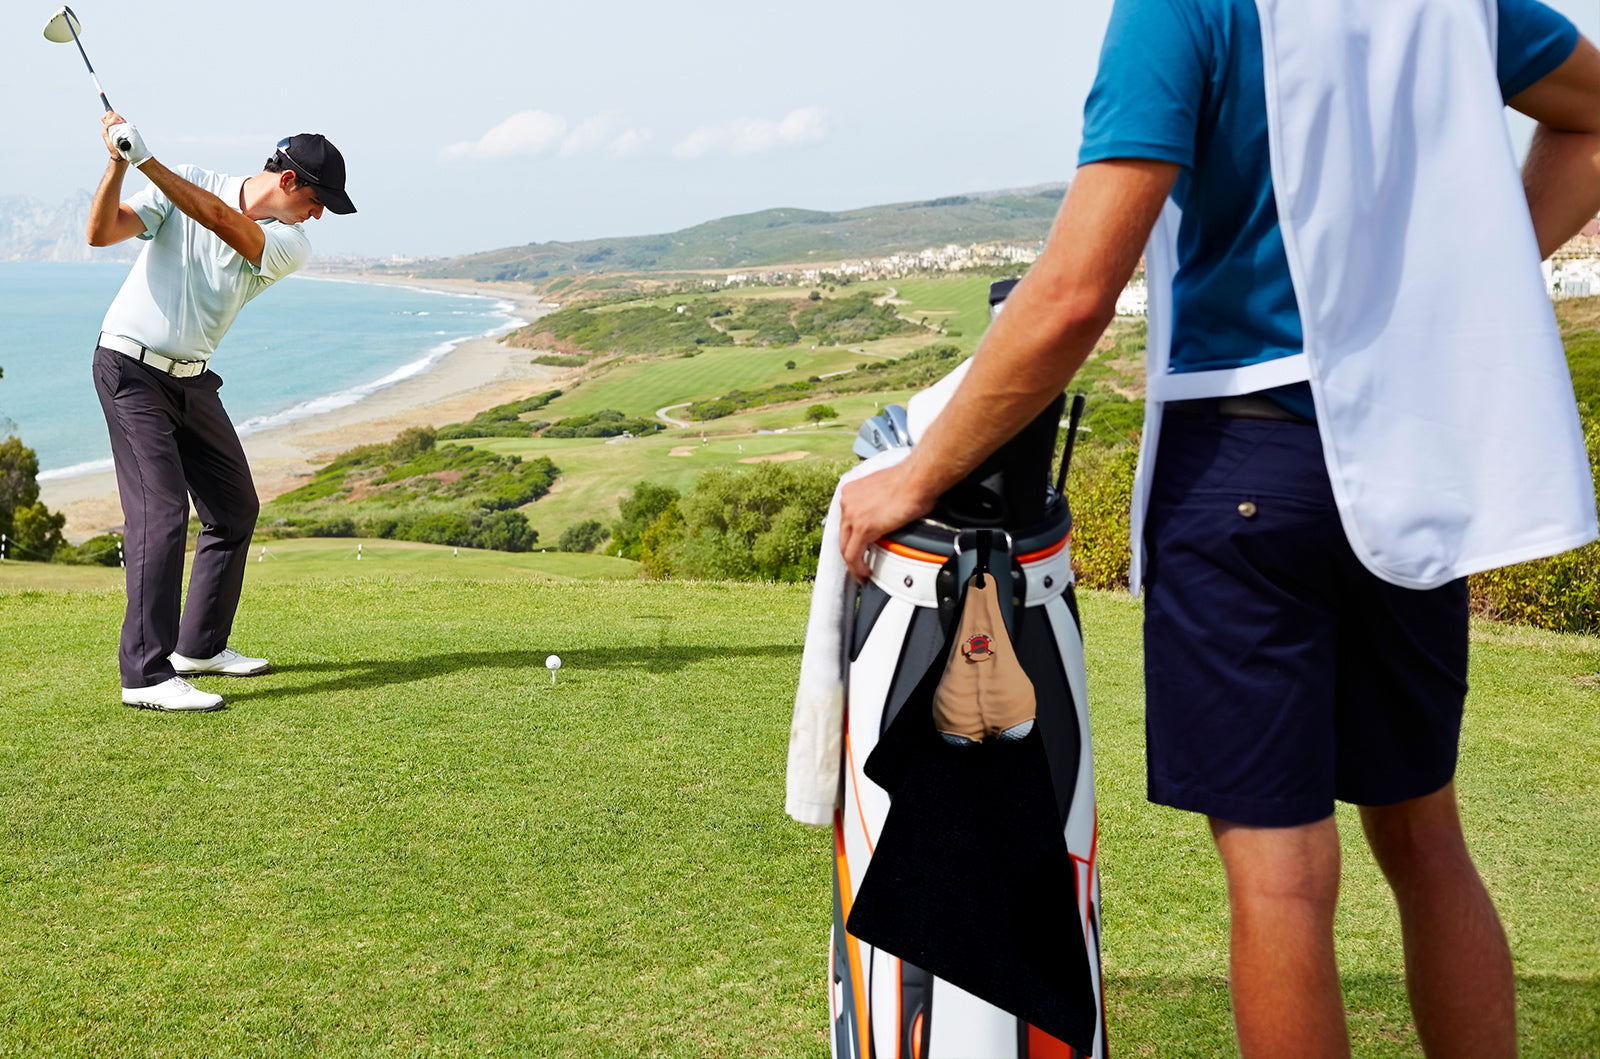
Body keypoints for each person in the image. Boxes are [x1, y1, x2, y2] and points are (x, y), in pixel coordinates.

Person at [836, 0, 1599, 1055]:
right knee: (1427, 839)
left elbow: (1070, 296)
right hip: (1410, 460)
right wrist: (1435, 294)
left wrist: (919, 470)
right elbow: (1592, 117)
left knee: (1282, 884)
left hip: (1244, 470)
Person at [86, 113, 356, 713]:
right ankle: (146, 676)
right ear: (288, 180)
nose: (317, 217)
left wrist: (147, 162)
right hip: (129, 370)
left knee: (234, 509)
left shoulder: (290, 244)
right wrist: (115, 162)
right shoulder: (187, 179)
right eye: (316, 200)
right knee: (160, 515)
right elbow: (100, 232)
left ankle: (200, 647)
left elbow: (220, 221)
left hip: (191, 380)